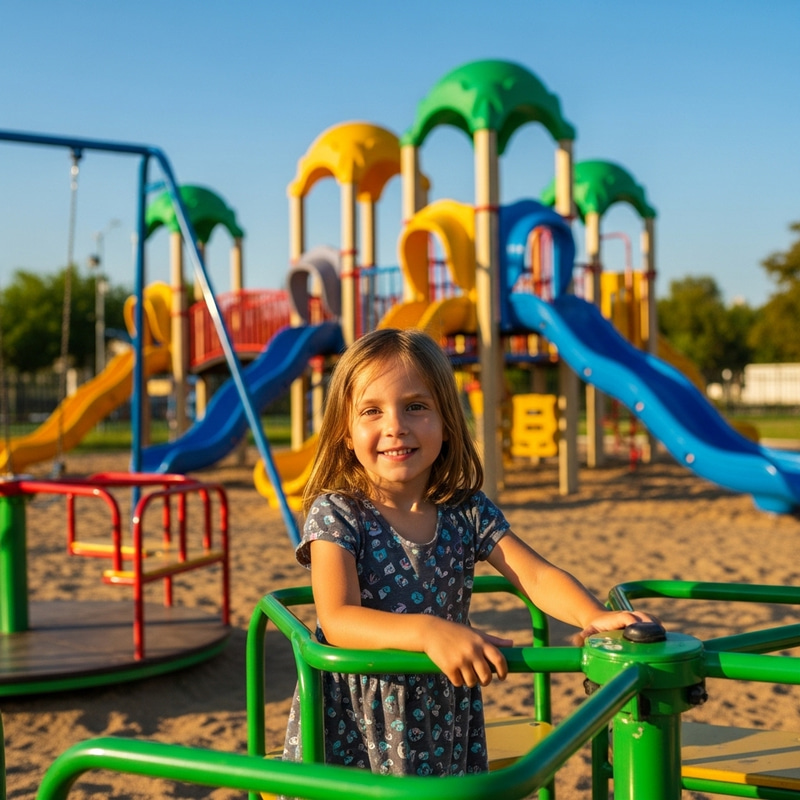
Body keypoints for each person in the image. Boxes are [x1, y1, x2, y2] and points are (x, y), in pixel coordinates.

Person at [282, 328, 654, 777]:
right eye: (372, 411)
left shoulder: (466, 511)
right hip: (357, 717)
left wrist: (591, 615)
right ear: (345, 432)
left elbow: (533, 576)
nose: (395, 425)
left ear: (446, 421)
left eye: (416, 407)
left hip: (440, 710)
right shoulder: (339, 513)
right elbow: (338, 618)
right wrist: (430, 633)